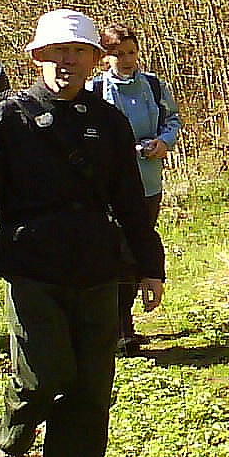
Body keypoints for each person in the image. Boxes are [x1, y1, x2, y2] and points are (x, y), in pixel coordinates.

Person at [0, 9, 165, 457]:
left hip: (97, 271)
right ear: (38, 57)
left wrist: (148, 266)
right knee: (43, 376)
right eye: (57, 52)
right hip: (32, 270)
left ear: (94, 60)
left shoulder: (107, 122)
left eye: (78, 52)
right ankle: (11, 440)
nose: (67, 62)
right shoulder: (7, 120)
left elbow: (130, 202)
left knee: (91, 386)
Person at [88, 23, 182, 355]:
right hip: (108, 187)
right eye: (117, 54)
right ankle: (118, 324)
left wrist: (163, 142)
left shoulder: (154, 86)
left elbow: (173, 120)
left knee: (138, 246)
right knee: (116, 252)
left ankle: (123, 318)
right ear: (104, 58)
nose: (126, 60)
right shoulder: (94, 91)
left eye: (131, 52)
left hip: (147, 182)